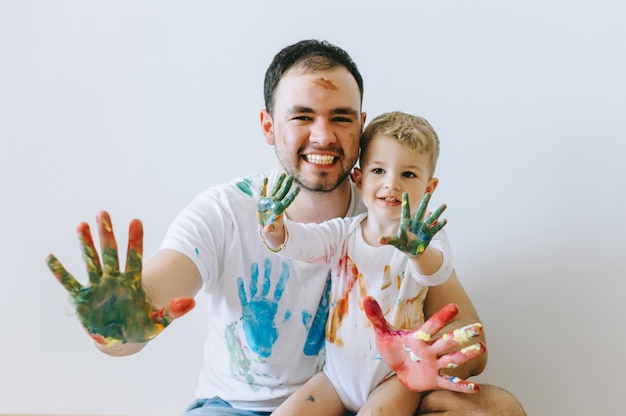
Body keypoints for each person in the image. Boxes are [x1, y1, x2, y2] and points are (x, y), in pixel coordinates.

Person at [46, 39, 526, 415]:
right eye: (302, 116)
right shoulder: (223, 213)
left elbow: (469, 339)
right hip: (237, 409)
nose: (323, 136)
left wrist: (424, 356)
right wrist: (117, 320)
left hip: (370, 396)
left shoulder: (395, 214)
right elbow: (143, 312)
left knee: (497, 409)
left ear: (361, 127)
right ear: (268, 126)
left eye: (340, 118)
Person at [256, 111, 486, 415]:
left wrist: (417, 251)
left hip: (396, 377)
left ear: (429, 188)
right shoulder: (343, 233)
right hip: (336, 379)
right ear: (359, 179)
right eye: (379, 170)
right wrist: (274, 229)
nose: (391, 183)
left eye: (408, 174)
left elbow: (437, 271)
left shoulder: (426, 237)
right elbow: (301, 244)